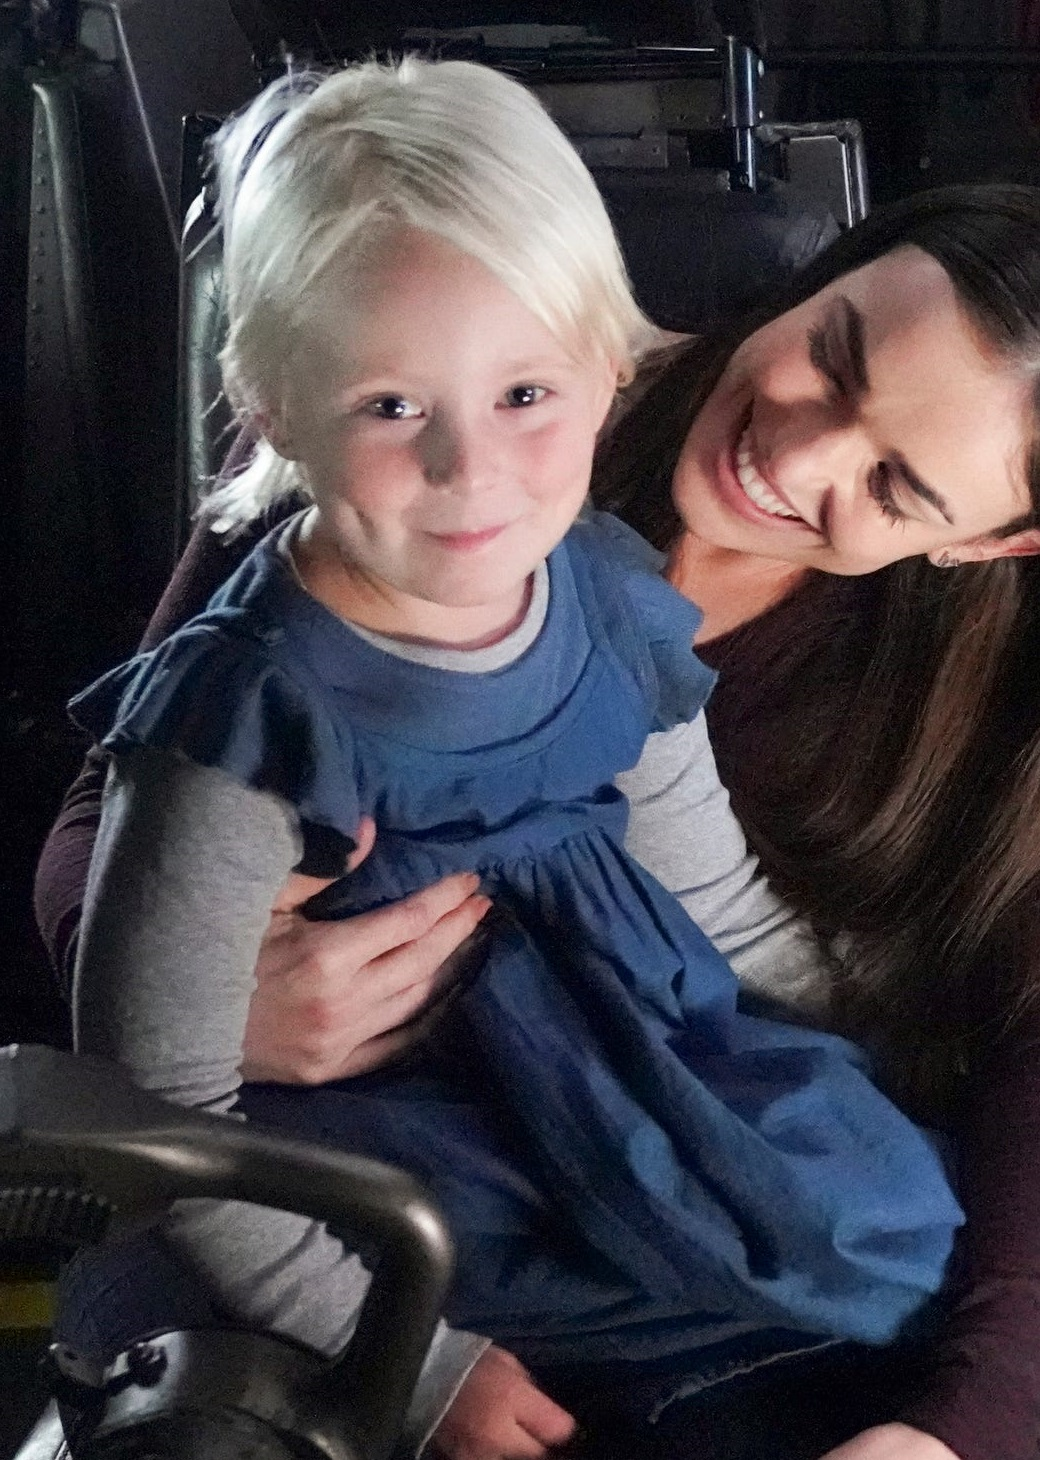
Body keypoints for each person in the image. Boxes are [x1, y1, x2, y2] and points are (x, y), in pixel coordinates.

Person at [54, 52, 963, 1460]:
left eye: (526, 393)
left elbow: (717, 908)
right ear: (272, 407)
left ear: (610, 370)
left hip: (602, 1092)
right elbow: (164, 1114)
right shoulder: (249, 711)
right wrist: (409, 1360)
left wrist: (924, 1033)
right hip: (381, 1189)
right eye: (390, 406)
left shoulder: (605, 596)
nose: (468, 471)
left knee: (887, 1235)